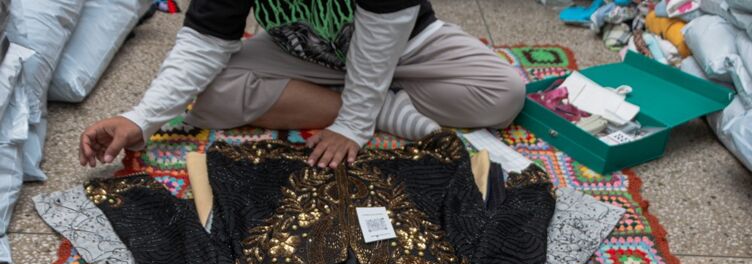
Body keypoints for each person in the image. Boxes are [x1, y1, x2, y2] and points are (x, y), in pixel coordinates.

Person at [79, 0, 526, 169]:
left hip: (404, 46)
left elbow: (384, 27)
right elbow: (206, 40)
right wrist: (140, 118)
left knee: (503, 95)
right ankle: (388, 110)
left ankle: (367, 105)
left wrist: (354, 122)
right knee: (214, 94)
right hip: (305, 54)